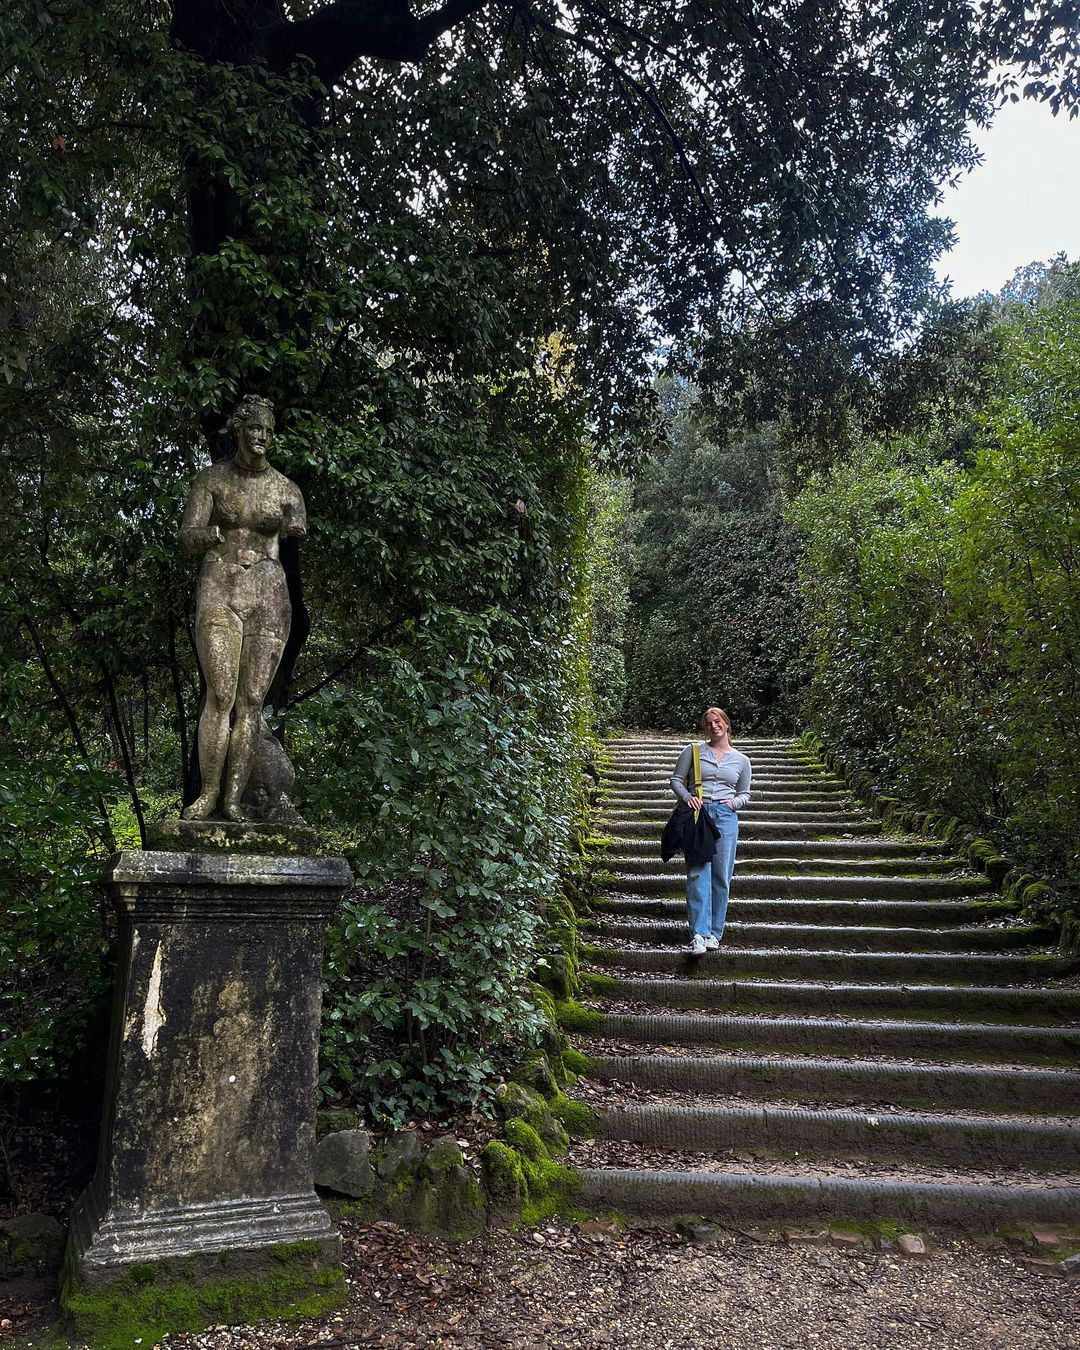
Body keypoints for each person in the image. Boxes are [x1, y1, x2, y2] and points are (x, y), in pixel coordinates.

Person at [179, 394, 306, 821]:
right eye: (255, 428)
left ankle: (233, 800)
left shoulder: (287, 490)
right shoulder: (211, 480)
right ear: (238, 430)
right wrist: (209, 535)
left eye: (268, 430)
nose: (262, 437)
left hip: (268, 593)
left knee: (251, 700)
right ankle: (208, 794)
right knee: (220, 694)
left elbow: (296, 529)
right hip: (220, 585)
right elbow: (187, 536)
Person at [669, 707, 752, 955]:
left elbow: (745, 793)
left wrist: (734, 803)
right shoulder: (693, 751)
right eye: (708, 723)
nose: (713, 726)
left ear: (726, 724)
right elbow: (675, 780)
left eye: (717, 722)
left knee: (721, 875)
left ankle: (715, 934)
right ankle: (698, 934)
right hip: (699, 815)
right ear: (704, 728)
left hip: (726, 817)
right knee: (697, 873)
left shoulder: (741, 760)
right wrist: (687, 798)